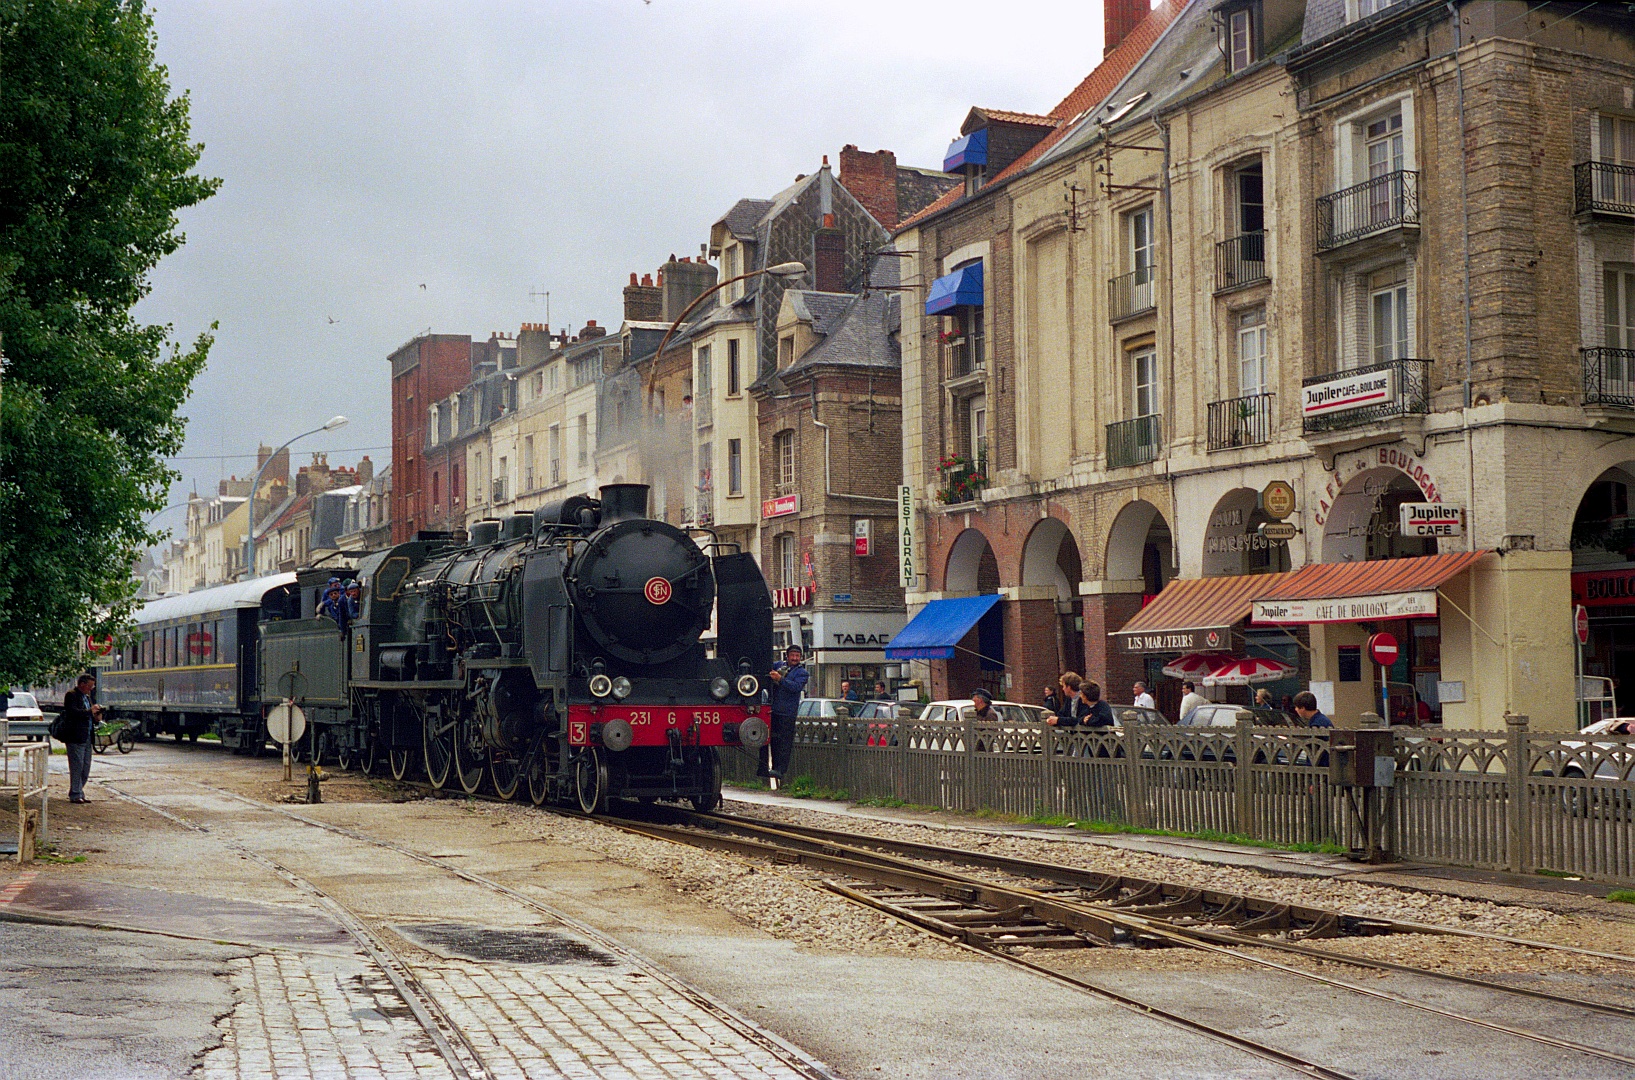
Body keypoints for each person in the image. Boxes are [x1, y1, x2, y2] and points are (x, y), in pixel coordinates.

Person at [764, 644, 808, 779]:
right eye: (792, 655)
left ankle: (781, 769)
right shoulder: (778, 665)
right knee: (774, 740)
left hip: (787, 712)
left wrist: (780, 679)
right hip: (774, 710)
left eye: (797, 656)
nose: (795, 658)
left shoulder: (802, 673)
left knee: (784, 742)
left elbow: (795, 687)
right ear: (787, 656)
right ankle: (772, 767)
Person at [59, 674, 101, 803]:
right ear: (82, 684)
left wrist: (96, 716)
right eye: (89, 686)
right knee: (77, 766)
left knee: (86, 766)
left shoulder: (87, 697)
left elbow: (88, 714)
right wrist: (90, 711)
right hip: (75, 736)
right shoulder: (71, 695)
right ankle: (75, 794)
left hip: (87, 736)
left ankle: (79, 791)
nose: (91, 689)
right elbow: (72, 713)